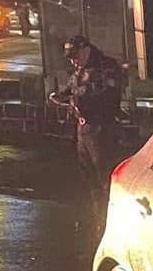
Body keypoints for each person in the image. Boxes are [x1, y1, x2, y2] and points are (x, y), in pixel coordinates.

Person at [51, 34, 126, 230]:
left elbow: (104, 94)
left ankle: (111, 219)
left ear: (86, 49)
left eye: (75, 56)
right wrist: (61, 96)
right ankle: (97, 216)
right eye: (70, 58)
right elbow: (72, 87)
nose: (73, 61)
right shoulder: (80, 69)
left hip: (101, 128)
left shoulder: (105, 66)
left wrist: (75, 97)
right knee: (89, 176)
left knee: (105, 177)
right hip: (83, 128)